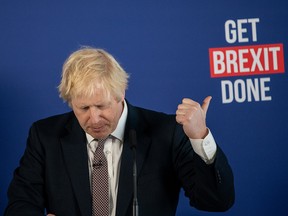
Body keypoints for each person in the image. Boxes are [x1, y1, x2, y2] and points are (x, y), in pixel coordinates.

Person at [5, 47, 235, 216]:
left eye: (102, 106)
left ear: (121, 93)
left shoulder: (165, 133)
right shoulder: (45, 136)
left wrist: (199, 137)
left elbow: (216, 202)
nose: (94, 119)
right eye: (83, 108)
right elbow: (20, 204)